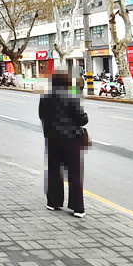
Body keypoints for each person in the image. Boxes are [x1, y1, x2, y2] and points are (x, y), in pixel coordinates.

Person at [38, 70, 89, 217]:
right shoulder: (71, 95)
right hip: (71, 139)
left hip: (52, 138)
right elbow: (82, 119)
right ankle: (77, 208)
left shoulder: (45, 96)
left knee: (54, 170)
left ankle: (53, 202)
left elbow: (41, 115)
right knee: (74, 173)